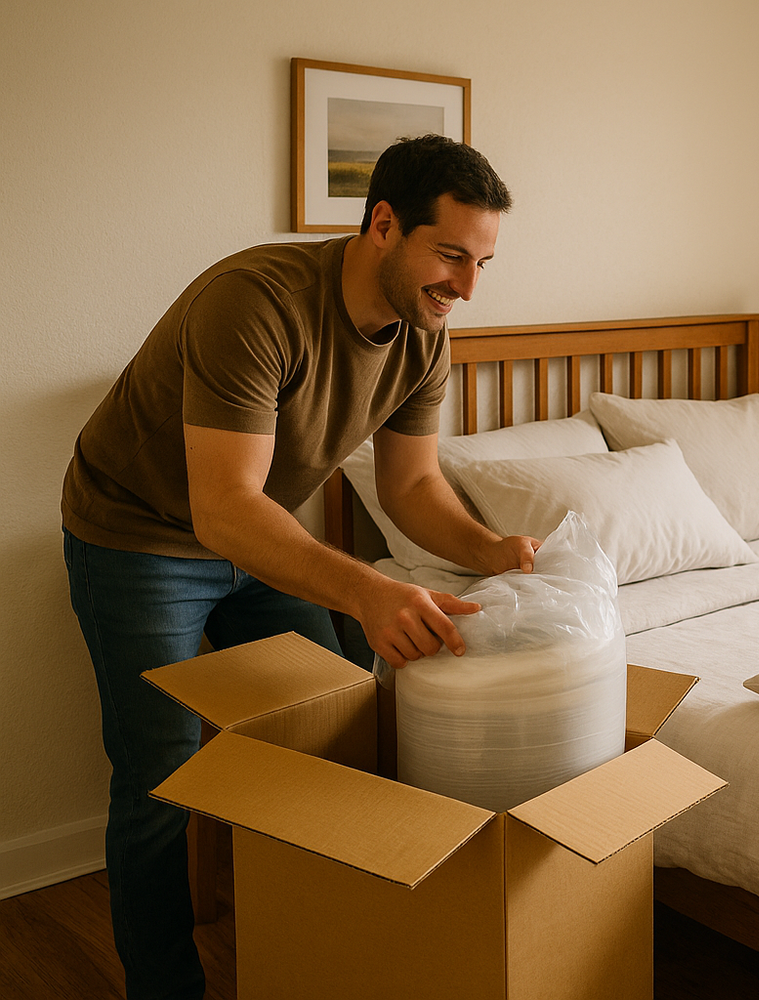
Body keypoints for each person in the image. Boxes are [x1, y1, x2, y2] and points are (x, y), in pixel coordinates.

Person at [61, 134, 539, 1000]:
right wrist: (367, 590)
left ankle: (310, 950)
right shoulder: (255, 302)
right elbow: (223, 508)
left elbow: (414, 485)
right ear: (384, 225)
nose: (466, 288)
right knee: (163, 775)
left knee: (332, 728)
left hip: (266, 536)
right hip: (140, 536)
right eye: (451, 256)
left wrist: (495, 551)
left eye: (483, 263)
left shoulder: (422, 336)